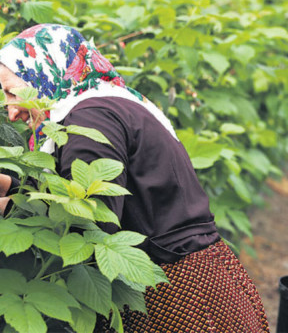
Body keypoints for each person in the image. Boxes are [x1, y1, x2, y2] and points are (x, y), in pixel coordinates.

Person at [0, 24, 270, 333]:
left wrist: (9, 209)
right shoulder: (110, 100)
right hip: (199, 277)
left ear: (41, 72)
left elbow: (89, 218)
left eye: (12, 91)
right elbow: (72, 190)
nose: (12, 111)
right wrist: (9, 184)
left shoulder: (91, 117)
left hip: (174, 295)